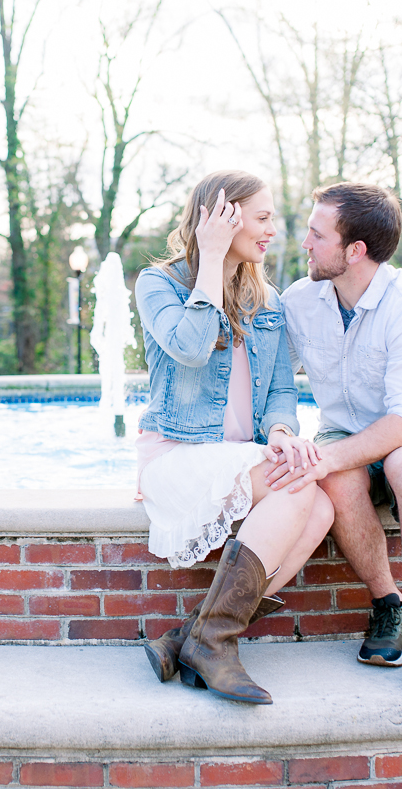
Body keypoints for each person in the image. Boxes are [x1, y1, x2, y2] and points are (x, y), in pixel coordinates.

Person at [134, 170, 334, 705]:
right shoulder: (159, 285)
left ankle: (198, 637)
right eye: (262, 217)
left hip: (238, 456)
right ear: (223, 216)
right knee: (298, 489)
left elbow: (278, 393)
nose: (273, 230)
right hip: (179, 453)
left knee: (320, 507)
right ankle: (210, 640)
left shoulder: (265, 299)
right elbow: (192, 347)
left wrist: (283, 432)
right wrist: (212, 260)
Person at [271, 181, 402, 691]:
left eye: (317, 235)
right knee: (336, 478)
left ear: (354, 250)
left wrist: (327, 457)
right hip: (346, 431)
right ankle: (389, 605)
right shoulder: (300, 300)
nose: (305, 244)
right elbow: (265, 376)